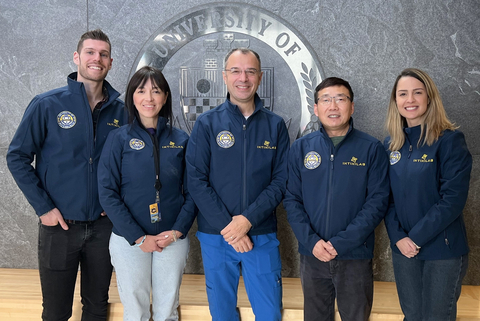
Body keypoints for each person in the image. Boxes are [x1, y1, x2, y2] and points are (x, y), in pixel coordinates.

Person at [6, 29, 125, 321]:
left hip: (103, 228)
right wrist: (44, 208)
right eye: (90, 52)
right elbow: (17, 156)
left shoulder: (123, 113)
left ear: (110, 62)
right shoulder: (47, 104)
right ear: (77, 57)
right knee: (56, 311)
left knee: (97, 308)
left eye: (103, 54)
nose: (97, 59)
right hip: (59, 227)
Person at [185, 48, 289, 321]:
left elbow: (280, 181)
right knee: (221, 314)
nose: (243, 78)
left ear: (260, 76)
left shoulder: (275, 126)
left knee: (269, 314)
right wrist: (229, 227)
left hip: (261, 234)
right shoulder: (207, 123)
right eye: (236, 71)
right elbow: (196, 180)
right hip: (216, 235)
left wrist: (247, 221)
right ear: (224, 76)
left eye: (250, 71)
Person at [284, 77, 390, 321]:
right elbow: (292, 200)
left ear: (351, 107)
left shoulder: (371, 148)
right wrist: (312, 242)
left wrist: (340, 243)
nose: (333, 106)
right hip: (313, 255)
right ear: (316, 108)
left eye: (340, 99)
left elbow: (377, 202)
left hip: (354, 255)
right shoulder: (301, 148)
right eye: (326, 100)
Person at [97, 66, 196, 320]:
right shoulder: (118, 139)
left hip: (171, 239)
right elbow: (107, 192)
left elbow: (194, 191)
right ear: (132, 96)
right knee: (135, 311)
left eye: (156, 91)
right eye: (142, 91)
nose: (149, 98)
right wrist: (139, 237)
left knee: (167, 311)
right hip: (129, 240)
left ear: (165, 97)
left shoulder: (182, 139)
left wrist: (177, 231)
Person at [384, 68, 471, 321]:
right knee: (412, 316)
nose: (409, 100)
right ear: (396, 101)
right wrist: (399, 238)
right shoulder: (390, 145)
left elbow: (452, 200)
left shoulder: (450, 141)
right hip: (404, 250)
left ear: (429, 97)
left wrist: (415, 238)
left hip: (442, 251)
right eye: (403, 94)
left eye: (417, 93)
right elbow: (385, 199)